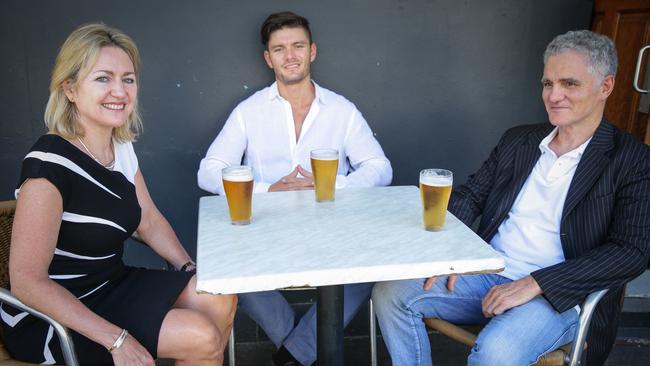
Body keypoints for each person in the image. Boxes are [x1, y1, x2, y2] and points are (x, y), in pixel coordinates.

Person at [372, 30, 650, 366]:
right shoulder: (519, 140)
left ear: (605, 87)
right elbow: (472, 196)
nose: (554, 95)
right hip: (488, 271)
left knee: (496, 352)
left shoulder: (633, 159)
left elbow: (632, 252)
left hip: (560, 294)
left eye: (569, 84)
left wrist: (537, 283)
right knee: (390, 294)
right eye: (548, 84)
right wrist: (448, 253)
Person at [0, 23, 237, 365]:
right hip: (54, 312)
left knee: (218, 295)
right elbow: (27, 283)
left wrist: (187, 267)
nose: (120, 90)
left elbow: (149, 220)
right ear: (69, 88)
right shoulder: (48, 165)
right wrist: (117, 339)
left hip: (111, 283)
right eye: (103, 78)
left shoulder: (119, 147)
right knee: (200, 337)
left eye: (127, 79)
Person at [197, 11, 392, 366]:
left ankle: (291, 357)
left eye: (298, 46)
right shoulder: (249, 111)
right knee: (232, 269)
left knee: (369, 270)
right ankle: (303, 353)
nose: (290, 55)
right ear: (268, 58)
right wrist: (268, 190)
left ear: (312, 51)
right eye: (280, 48)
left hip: (335, 233)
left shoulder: (342, 110)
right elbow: (208, 172)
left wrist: (332, 185)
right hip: (267, 235)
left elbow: (380, 168)